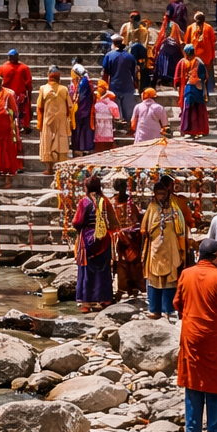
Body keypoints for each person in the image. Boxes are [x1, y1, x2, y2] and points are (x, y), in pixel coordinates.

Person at [174, 237, 217, 432]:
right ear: (216, 256)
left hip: (191, 336)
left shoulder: (186, 274)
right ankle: (214, 430)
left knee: (193, 381)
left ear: (199, 255)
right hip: (215, 338)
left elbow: (177, 303)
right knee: (216, 381)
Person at [141, 174, 190, 320]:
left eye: (163, 193)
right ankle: (154, 310)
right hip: (155, 249)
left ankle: (168, 309)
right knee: (154, 279)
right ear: (155, 195)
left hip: (171, 249)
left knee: (170, 279)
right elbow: (144, 228)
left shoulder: (174, 208)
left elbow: (181, 229)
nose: (161, 196)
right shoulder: (152, 207)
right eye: (158, 194)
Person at [72, 175, 118, 310]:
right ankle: (104, 300)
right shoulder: (105, 201)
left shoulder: (84, 202)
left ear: (86, 187)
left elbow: (77, 222)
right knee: (103, 270)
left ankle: (86, 303)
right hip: (103, 240)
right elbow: (113, 222)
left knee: (87, 270)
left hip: (87, 240)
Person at [111, 170, 145, 298]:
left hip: (127, 238)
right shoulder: (127, 204)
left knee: (126, 263)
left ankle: (129, 288)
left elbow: (136, 221)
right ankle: (128, 287)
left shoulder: (127, 204)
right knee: (124, 264)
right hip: (123, 239)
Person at [36, 66, 72, 173]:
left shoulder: (43, 88)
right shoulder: (64, 89)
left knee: (48, 142)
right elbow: (70, 106)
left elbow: (39, 106)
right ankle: (59, 169)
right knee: (60, 142)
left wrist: (39, 121)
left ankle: (49, 168)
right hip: (60, 120)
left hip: (48, 119)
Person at [174, 42, 209, 137]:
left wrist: (196, 79)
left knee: (197, 109)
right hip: (187, 88)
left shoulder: (199, 62)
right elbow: (177, 77)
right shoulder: (182, 62)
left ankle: (198, 130)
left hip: (197, 89)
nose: (189, 56)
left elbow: (204, 77)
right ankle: (187, 130)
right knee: (188, 109)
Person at [101, 36, 138, 121]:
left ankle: (116, 128)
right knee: (128, 111)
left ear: (113, 44)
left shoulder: (109, 56)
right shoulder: (130, 56)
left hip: (114, 87)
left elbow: (105, 73)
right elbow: (134, 73)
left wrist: (104, 87)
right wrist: (136, 85)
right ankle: (128, 128)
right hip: (128, 87)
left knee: (115, 109)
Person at [0, 49, 33, 131]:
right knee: (17, 112)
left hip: (16, 96)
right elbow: (29, 84)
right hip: (12, 96)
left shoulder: (3, 67)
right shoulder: (24, 67)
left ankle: (13, 125)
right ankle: (19, 125)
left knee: (13, 112)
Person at [152, 8, 183, 87]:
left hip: (169, 47)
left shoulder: (169, 25)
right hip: (173, 47)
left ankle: (164, 77)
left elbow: (165, 37)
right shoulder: (174, 25)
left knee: (161, 56)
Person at [190, 11, 217, 95]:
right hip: (202, 55)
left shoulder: (207, 28)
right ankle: (208, 86)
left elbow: (187, 40)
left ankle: (204, 86)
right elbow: (214, 40)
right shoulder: (207, 27)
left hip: (202, 55)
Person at [70, 64, 94, 155]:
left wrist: (76, 111)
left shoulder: (83, 82)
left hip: (83, 110)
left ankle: (81, 149)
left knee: (81, 131)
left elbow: (82, 98)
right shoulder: (85, 80)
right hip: (85, 109)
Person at [92, 80, 120, 150]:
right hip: (107, 135)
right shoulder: (113, 105)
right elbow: (117, 117)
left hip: (99, 135)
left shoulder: (95, 105)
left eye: (100, 87)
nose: (98, 89)